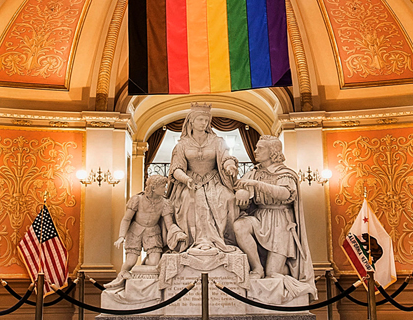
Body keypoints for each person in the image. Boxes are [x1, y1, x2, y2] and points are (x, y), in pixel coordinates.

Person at [231, 136, 314, 280]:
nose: (255, 151)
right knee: (240, 225)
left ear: (272, 151)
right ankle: (257, 268)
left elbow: (285, 194)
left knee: (272, 274)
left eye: (260, 148)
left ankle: (293, 270)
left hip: (280, 222)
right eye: (256, 147)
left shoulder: (285, 173)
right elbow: (239, 189)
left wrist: (257, 185)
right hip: (260, 217)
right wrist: (242, 194)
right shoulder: (254, 173)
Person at [168, 104, 240, 251]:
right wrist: (186, 179)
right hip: (190, 181)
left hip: (213, 180)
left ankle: (225, 240)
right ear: (191, 121)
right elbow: (176, 168)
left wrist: (230, 166)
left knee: (228, 198)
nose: (204, 123)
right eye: (200, 119)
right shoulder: (182, 144)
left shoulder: (217, 141)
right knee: (190, 200)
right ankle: (197, 240)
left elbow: (225, 157)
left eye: (206, 120)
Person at [107, 174, 184, 289]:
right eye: (163, 186)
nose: (165, 189)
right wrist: (121, 236)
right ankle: (121, 277)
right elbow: (126, 219)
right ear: (153, 188)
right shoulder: (137, 199)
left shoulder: (165, 203)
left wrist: (177, 234)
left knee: (154, 263)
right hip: (135, 231)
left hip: (153, 232)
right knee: (130, 261)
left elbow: (169, 224)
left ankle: (142, 276)